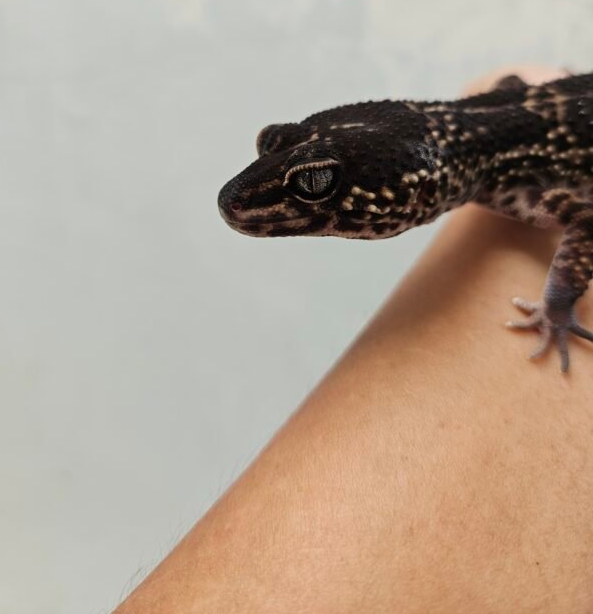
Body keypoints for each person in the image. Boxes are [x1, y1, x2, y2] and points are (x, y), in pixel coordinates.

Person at [115, 66, 593, 614]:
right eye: (272, 147)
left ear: (426, 183)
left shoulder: (515, 181)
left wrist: (558, 306)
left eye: (315, 186)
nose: (242, 200)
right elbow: (514, 85)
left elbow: (583, 220)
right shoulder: (493, 137)